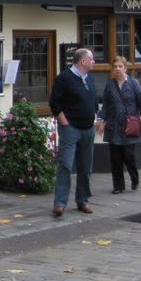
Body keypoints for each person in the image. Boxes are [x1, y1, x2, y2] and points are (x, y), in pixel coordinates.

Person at [48, 47, 98, 217]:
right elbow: (55, 103)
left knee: (86, 166)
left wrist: (94, 118)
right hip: (71, 129)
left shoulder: (89, 79)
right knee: (66, 165)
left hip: (88, 129)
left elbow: (93, 101)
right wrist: (65, 123)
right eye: (91, 59)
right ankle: (60, 203)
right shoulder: (64, 78)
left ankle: (83, 200)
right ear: (82, 61)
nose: (94, 62)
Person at [97, 56, 141, 194]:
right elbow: (106, 106)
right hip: (113, 126)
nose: (117, 69)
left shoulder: (133, 83)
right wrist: (101, 121)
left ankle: (134, 178)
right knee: (115, 158)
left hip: (129, 126)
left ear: (125, 68)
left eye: (120, 66)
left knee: (128, 155)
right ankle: (118, 186)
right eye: (115, 67)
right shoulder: (110, 85)